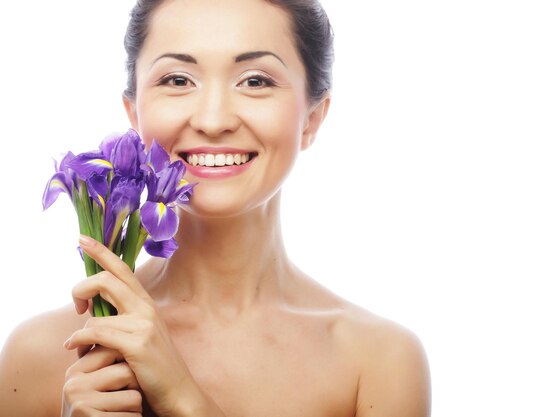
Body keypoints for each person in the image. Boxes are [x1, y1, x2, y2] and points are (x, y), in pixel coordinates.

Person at [0, 0, 430, 415]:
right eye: (178, 80)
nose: (212, 119)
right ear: (134, 111)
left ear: (313, 117)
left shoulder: (379, 363)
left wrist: (183, 398)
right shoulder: (42, 356)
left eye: (256, 80)